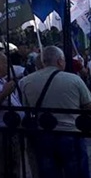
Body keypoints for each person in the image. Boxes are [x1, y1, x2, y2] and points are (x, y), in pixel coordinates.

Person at [19, 45, 91, 178]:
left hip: (43, 135)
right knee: (76, 173)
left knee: (48, 173)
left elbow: (26, 107)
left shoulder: (26, 81)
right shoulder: (74, 80)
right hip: (71, 133)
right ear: (59, 61)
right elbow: (88, 105)